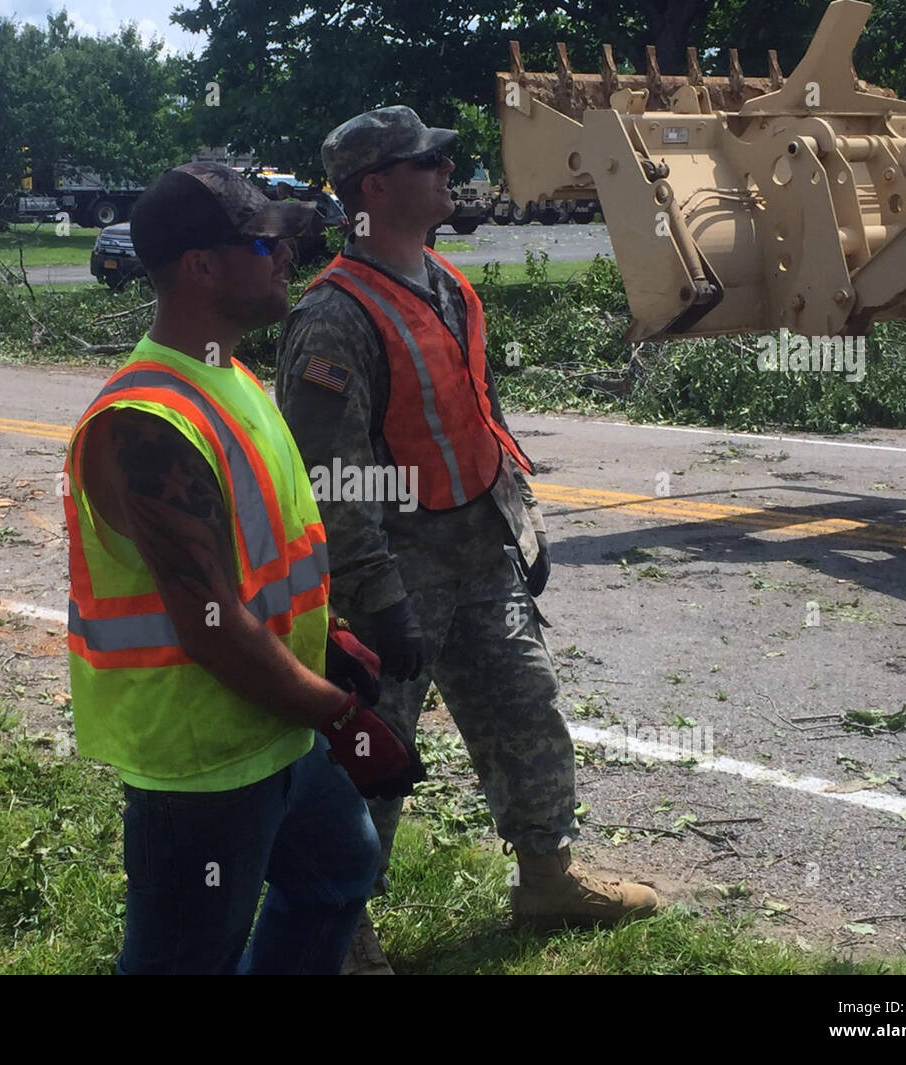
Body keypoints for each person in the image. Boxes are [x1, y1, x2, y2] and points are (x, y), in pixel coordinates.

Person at [276, 107, 661, 973]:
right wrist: (377, 599)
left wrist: (518, 520)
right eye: (430, 161)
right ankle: (344, 933)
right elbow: (329, 481)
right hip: (392, 580)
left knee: (528, 712)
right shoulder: (333, 318)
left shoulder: (444, 283)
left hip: (481, 558)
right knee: (369, 757)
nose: (450, 170)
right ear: (376, 186)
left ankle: (547, 877)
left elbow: (473, 418)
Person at [63, 161, 423, 975]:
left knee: (338, 872)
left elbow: (263, 560)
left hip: (274, 725)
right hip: (204, 763)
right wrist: (339, 713)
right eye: (268, 244)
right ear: (202, 265)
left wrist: (322, 636)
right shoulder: (145, 424)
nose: (287, 258)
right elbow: (214, 627)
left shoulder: (231, 376)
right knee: (183, 958)